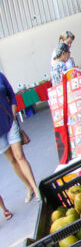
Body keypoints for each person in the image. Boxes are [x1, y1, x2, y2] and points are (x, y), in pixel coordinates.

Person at [0, 71, 39, 206]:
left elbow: (11, 94)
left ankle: (35, 188)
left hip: (10, 121)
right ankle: (28, 187)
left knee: (19, 156)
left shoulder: (0, 75)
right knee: (12, 160)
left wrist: (14, 112)